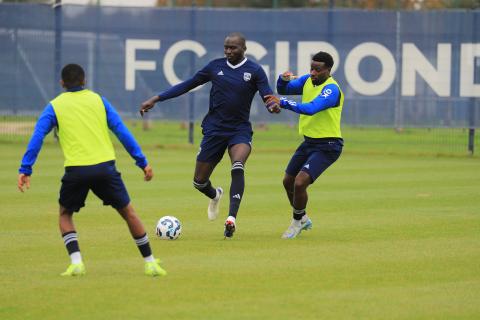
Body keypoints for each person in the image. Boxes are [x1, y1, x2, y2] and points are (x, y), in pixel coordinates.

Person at [18, 63, 167, 277]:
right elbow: (122, 131)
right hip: (105, 168)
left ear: (62, 83)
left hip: (76, 171)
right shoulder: (99, 100)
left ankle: (76, 262)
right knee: (129, 213)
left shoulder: (54, 106)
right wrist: (142, 162)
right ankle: (150, 262)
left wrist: (26, 168)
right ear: (84, 80)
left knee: (65, 214)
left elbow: (37, 137)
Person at [140, 32, 279, 239]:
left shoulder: (255, 71)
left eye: (233, 48)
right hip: (214, 130)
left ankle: (231, 219)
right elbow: (187, 84)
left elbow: (267, 95)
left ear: (244, 49)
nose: (229, 51)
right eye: (226, 47)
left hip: (239, 130)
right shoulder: (215, 66)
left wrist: (272, 105)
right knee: (199, 182)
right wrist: (157, 98)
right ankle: (215, 195)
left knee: (238, 166)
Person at [266, 51, 344, 239]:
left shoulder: (331, 89)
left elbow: (311, 109)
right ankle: (303, 218)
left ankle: (295, 223)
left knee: (300, 182)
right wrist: (282, 80)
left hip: (329, 145)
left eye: (317, 69)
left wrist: (282, 103)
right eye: (311, 68)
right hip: (309, 142)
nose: (313, 72)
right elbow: (283, 90)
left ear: (328, 70)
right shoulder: (307, 80)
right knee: (287, 182)